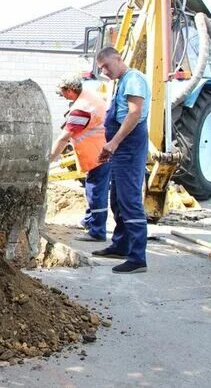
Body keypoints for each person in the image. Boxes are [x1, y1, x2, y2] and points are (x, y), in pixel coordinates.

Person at [91, 46, 151, 274]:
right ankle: (121, 245)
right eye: (101, 68)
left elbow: (134, 113)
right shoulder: (121, 82)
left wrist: (114, 143)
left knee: (130, 200)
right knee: (117, 198)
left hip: (129, 145)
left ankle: (137, 258)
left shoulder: (133, 78)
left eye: (106, 65)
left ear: (118, 58)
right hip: (121, 147)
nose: (104, 71)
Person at [49, 74, 111, 242]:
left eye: (62, 92)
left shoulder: (81, 109)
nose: (62, 96)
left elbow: (63, 138)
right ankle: (89, 222)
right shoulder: (89, 95)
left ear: (70, 90)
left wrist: (49, 159)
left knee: (96, 192)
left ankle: (97, 231)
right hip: (101, 150)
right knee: (94, 188)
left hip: (97, 154)